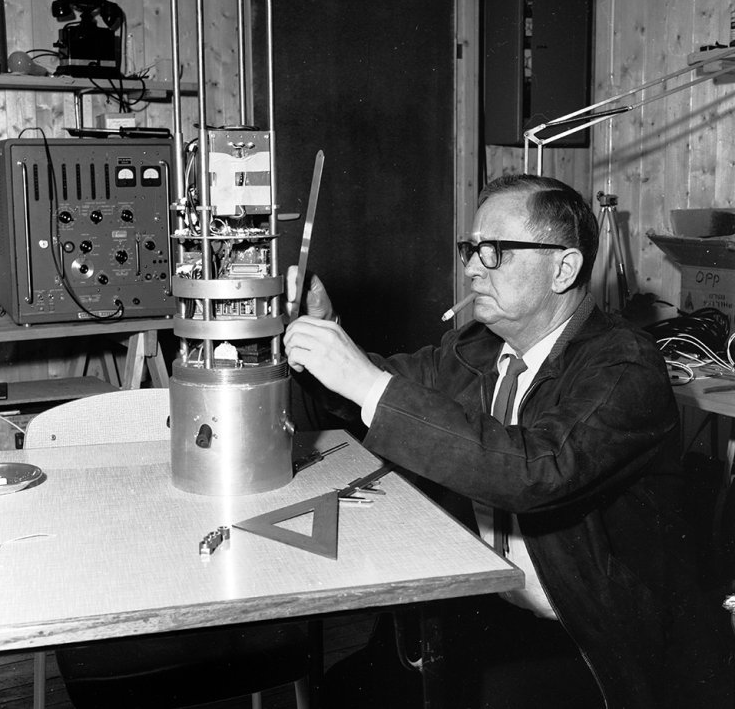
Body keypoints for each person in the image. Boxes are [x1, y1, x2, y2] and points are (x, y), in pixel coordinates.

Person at [283, 173, 733, 708]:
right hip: (484, 605)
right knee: (345, 689)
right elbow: (383, 389)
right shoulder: (475, 347)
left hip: (589, 636)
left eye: (495, 251)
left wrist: (361, 379)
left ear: (564, 268)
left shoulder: (624, 365)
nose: (472, 267)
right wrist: (322, 338)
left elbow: (534, 469)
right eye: (471, 249)